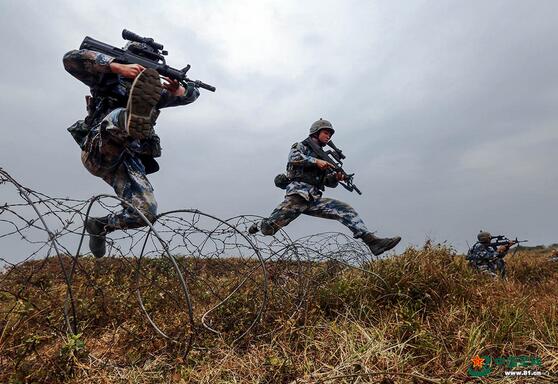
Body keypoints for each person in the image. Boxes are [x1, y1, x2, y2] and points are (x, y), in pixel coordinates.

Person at [63, 42, 200, 257]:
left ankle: (100, 226)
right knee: (117, 117)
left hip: (127, 161)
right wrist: (116, 66)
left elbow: (193, 94)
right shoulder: (107, 79)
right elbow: (71, 59)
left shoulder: (156, 93)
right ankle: (129, 118)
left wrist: (180, 90)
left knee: (145, 212)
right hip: (98, 147)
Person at [249, 118, 401, 256]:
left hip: (314, 199)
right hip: (298, 196)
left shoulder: (323, 155)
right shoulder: (301, 146)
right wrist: (315, 161)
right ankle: (258, 225)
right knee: (269, 228)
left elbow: (328, 182)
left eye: (330, 134)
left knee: (344, 209)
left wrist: (336, 177)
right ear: (316, 132)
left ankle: (372, 242)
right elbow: (293, 158)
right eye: (326, 132)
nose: (328, 136)